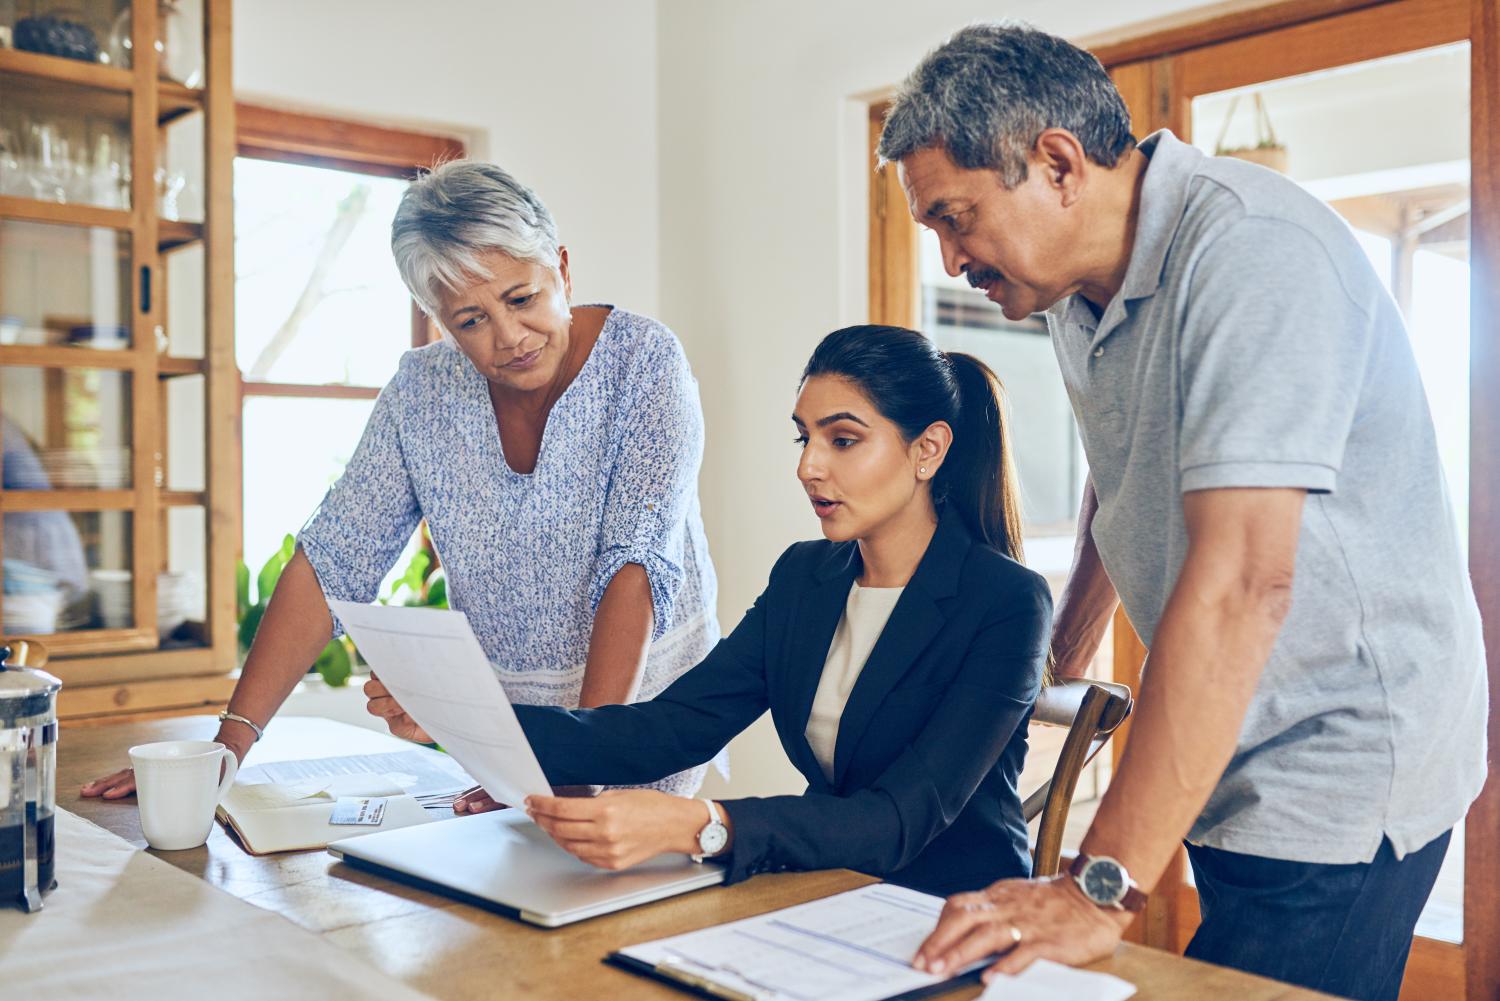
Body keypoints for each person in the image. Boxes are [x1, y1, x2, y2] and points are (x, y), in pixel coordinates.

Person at [877, 23, 1487, 1001]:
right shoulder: (1079, 290)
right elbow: (1119, 480)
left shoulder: (1254, 253)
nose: (952, 261)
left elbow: (1245, 581)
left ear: (1059, 164)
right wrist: (1057, 656)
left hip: (1344, 745)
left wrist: (1101, 885)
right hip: (1235, 732)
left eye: (958, 218)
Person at [82, 161, 720, 799]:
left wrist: (575, 772)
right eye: (470, 320)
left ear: (561, 267)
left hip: (644, 719)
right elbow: (332, 561)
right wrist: (227, 748)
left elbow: (635, 568)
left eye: (522, 298)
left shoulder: (643, 363)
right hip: (513, 742)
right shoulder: (421, 393)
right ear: (435, 318)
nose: (510, 337)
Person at [365, 325, 1053, 895]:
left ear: (927, 449)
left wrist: (698, 822)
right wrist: (464, 715)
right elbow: (669, 727)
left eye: (842, 439)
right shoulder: (804, 577)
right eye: (803, 437)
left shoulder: (1007, 603)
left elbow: (899, 818)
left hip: (954, 911)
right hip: (825, 889)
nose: (809, 466)